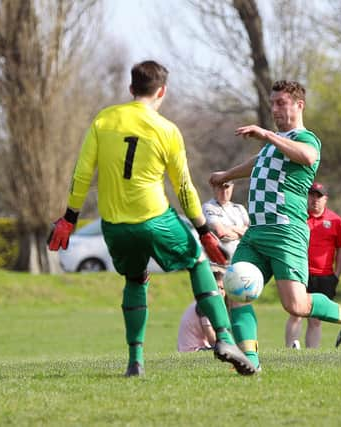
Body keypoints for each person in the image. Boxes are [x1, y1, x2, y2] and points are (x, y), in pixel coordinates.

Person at [48, 60, 256, 377]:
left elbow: (81, 174)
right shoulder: (167, 130)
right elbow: (184, 187)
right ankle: (225, 338)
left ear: (131, 89)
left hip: (115, 226)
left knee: (135, 278)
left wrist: (69, 218)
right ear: (162, 91)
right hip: (154, 217)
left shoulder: (104, 120)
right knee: (198, 262)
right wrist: (203, 231)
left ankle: (136, 361)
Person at [209, 80, 341, 370]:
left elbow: (307, 157)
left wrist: (267, 134)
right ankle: (250, 362)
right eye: (272, 103)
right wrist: (226, 174)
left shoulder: (307, 139)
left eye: (281, 103)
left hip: (286, 232)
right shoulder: (275, 145)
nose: (275, 109)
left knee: (296, 306)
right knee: (236, 292)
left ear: (299, 105)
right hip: (256, 231)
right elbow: (257, 162)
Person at [176, 181, 249, 352]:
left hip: (236, 265)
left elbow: (249, 231)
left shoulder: (239, 208)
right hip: (216, 265)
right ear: (214, 188)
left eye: (227, 186)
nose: (224, 190)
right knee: (217, 302)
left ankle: (241, 346)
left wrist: (232, 230)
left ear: (232, 188)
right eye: (220, 187)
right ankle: (223, 342)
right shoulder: (208, 207)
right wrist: (239, 230)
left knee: (236, 306)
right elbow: (220, 231)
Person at [285, 182, 341, 349]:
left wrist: (337, 274)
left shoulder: (336, 221)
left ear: (325, 199)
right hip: (300, 273)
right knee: (295, 312)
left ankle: (312, 352)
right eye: (312, 195)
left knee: (316, 319)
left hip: (324, 276)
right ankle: (291, 349)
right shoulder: (299, 217)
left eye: (318, 196)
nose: (314, 199)